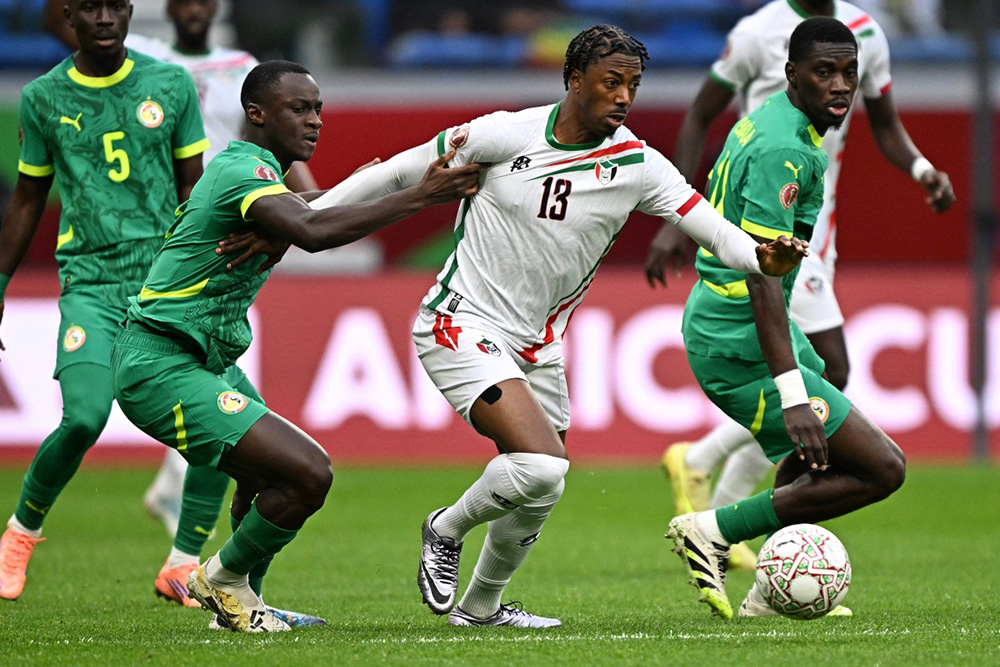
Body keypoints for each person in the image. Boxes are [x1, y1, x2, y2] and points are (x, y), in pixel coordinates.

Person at [290, 24, 808, 629]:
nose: (623, 97)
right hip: (460, 321)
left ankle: (481, 609)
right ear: (573, 80)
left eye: (633, 86)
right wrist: (307, 217)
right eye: (611, 83)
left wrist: (759, 256)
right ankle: (444, 528)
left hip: (540, 346)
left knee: (544, 484)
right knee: (541, 465)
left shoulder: (638, 164)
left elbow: (713, 228)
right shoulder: (503, 134)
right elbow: (398, 174)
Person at [109, 59, 482, 632]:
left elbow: (308, 214)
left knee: (265, 478)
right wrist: (423, 195)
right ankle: (222, 581)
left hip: (200, 358)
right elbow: (313, 233)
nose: (315, 121)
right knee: (309, 473)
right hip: (160, 362)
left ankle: (239, 606)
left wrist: (371, 183)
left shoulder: (261, 180)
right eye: (299, 109)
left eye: (319, 110)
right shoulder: (240, 169)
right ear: (255, 113)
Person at [651, 0, 954, 572]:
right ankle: (715, 524)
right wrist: (793, 399)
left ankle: (769, 571)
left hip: (744, 308)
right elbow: (763, 278)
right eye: (824, 73)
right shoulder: (783, 141)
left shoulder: (781, 119)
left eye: (848, 73)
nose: (841, 86)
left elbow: (885, 122)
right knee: (878, 464)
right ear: (791, 73)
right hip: (739, 325)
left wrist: (921, 170)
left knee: (824, 412)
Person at [0, 0, 209, 602]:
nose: (104, 18)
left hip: (165, 285)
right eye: (90, 7)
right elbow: (26, 200)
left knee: (227, 416)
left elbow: (194, 190)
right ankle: (21, 531)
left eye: (115, 6)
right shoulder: (43, 98)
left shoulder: (169, 85)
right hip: (91, 283)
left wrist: (205, 274)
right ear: (68, 16)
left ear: (128, 12)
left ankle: (183, 562)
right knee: (85, 416)